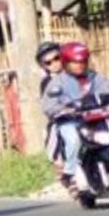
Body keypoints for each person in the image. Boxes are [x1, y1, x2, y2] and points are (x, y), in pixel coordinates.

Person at [41, 41, 109, 195]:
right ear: (66, 62)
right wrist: (63, 109)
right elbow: (48, 105)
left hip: (98, 118)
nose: (79, 65)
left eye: (82, 61)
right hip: (72, 120)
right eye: (74, 62)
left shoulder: (94, 77)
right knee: (72, 138)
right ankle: (70, 173)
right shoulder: (56, 82)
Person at [35, 41, 69, 187]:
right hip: (64, 118)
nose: (54, 63)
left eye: (57, 58)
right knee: (54, 133)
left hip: (87, 112)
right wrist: (60, 109)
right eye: (48, 62)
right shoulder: (46, 83)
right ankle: (61, 168)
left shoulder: (79, 71)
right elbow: (47, 105)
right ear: (44, 66)